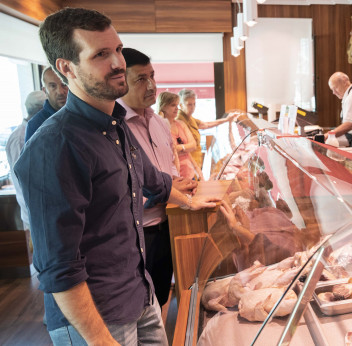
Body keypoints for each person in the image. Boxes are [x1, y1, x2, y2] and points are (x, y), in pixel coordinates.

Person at [14, 8, 219, 345]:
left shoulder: (116, 126)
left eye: (118, 50)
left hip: (139, 295)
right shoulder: (55, 146)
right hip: (96, 318)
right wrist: (100, 340)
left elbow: (153, 181)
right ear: (66, 68)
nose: (118, 63)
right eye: (100, 54)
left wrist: (192, 202)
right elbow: (58, 266)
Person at [119, 47, 197, 309]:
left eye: (152, 76)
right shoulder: (115, 126)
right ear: (121, 82)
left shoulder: (160, 122)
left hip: (168, 223)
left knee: (160, 298)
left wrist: (178, 183)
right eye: (141, 79)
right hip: (137, 234)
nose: (152, 85)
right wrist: (154, 193)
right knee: (138, 307)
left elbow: (169, 171)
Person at [7, 90, 46, 230]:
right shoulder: (20, 138)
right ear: (40, 110)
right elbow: (25, 180)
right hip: (32, 214)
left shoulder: (35, 131)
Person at [177, 89, 234, 169]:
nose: (193, 107)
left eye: (194, 104)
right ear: (180, 105)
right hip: (188, 164)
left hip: (196, 162)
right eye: (189, 104)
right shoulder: (179, 120)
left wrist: (226, 120)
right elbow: (183, 148)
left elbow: (206, 125)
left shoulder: (190, 118)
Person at [158, 91, 203, 180]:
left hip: (189, 173)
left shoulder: (181, 124)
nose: (177, 108)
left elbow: (193, 145)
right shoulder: (159, 127)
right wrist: (185, 148)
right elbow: (169, 153)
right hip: (174, 177)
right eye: (173, 105)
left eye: (177, 105)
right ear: (163, 106)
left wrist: (180, 148)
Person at [25, 66, 68, 142]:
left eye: (64, 84)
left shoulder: (83, 115)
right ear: (44, 91)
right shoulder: (35, 125)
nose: (60, 92)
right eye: (53, 86)